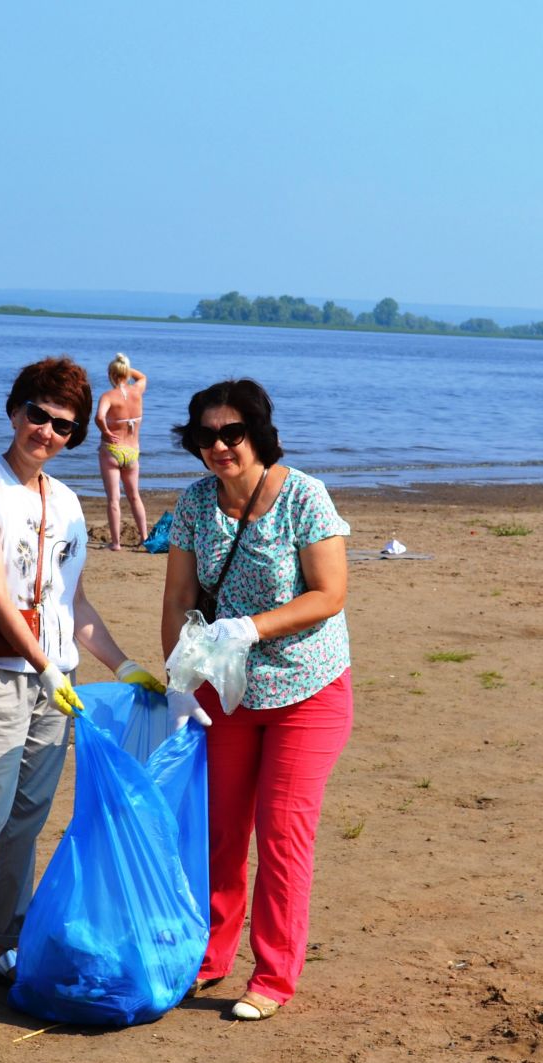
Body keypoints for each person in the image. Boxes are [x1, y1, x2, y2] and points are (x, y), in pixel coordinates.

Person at [0, 355, 169, 1018]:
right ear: (14, 410)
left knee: (24, 822)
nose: (47, 432)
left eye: (63, 425)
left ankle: (1, 943)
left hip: (56, 682)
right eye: (38, 415)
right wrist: (43, 666)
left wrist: (122, 663)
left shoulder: (67, 503)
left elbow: (72, 603)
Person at [161, 379, 352, 1021]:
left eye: (232, 433)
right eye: (207, 435)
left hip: (307, 687)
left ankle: (272, 975)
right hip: (227, 696)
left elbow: (329, 593)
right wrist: (178, 681)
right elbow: (179, 600)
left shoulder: (304, 495)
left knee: (281, 833)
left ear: (259, 436)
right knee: (219, 832)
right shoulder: (192, 504)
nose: (219, 446)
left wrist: (252, 626)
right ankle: (209, 958)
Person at [93, 353, 149, 551]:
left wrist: (106, 432)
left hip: (112, 450)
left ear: (110, 374)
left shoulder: (108, 396)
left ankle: (116, 543)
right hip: (133, 452)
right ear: (126, 373)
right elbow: (142, 377)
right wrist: (125, 366)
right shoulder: (137, 391)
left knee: (114, 498)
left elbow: (99, 417)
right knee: (135, 496)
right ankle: (144, 537)